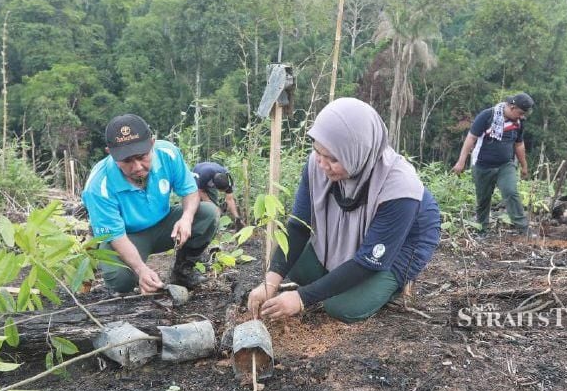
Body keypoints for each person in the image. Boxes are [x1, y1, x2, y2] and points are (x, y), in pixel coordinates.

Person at [247, 98, 441, 323]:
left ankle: (391, 285)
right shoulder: (317, 164)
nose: (322, 164)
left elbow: (368, 260)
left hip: (402, 242)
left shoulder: (400, 189)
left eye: (333, 158)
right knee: (297, 267)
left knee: (341, 307)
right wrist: (270, 282)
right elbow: (299, 227)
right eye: (317, 151)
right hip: (354, 229)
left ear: (357, 153)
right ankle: (342, 276)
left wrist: (301, 298)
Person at [82, 114, 218, 293]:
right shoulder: (98, 185)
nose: (137, 167)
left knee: (208, 213)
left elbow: (190, 191)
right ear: (110, 153)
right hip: (126, 235)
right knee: (121, 280)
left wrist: (186, 218)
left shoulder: (168, 154)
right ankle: (128, 274)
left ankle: (182, 272)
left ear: (152, 143)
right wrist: (141, 270)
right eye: (127, 161)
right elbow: (116, 236)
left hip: (164, 225)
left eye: (142, 156)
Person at [451, 93, 533, 234]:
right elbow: (471, 138)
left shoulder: (519, 123)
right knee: (483, 200)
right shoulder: (487, 116)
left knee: (511, 192)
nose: (521, 116)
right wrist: (461, 161)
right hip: (482, 165)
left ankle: (524, 230)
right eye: (520, 113)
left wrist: (524, 165)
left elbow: (519, 145)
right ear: (512, 107)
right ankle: (482, 231)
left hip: (505, 165)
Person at [192, 161, 245, 229]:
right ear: (215, 185)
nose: (224, 192)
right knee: (198, 203)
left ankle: (213, 227)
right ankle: (197, 225)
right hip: (198, 174)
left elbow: (230, 199)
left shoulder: (227, 178)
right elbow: (200, 191)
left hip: (211, 174)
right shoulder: (204, 175)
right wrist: (213, 206)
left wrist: (237, 217)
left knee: (213, 204)